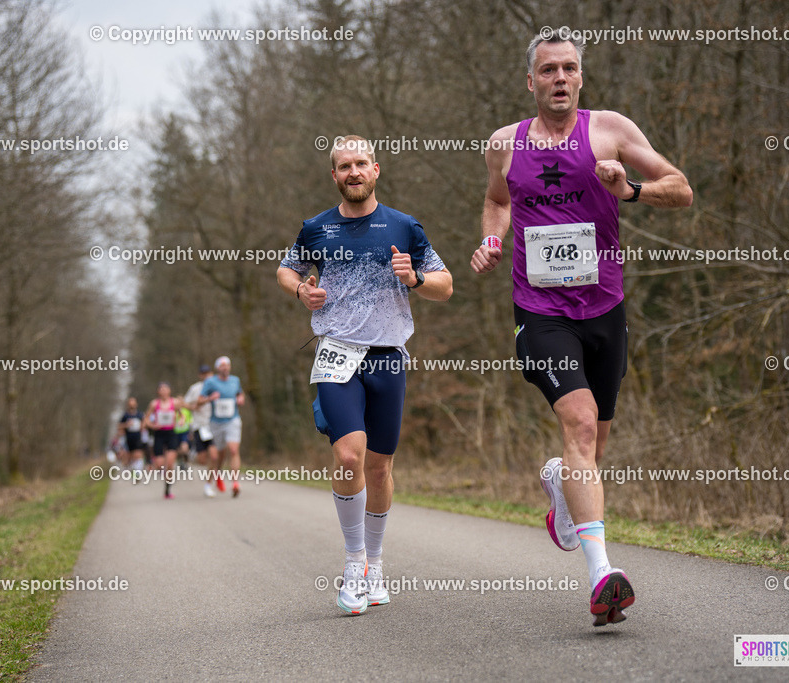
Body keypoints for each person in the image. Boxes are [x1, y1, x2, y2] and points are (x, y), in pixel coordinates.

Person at [471, 29, 693, 626]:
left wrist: (633, 190)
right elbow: (497, 201)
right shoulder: (504, 143)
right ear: (531, 80)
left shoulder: (612, 129)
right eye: (548, 70)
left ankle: (559, 488)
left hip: (605, 307)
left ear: (581, 77)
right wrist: (492, 238)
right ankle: (602, 575)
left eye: (569, 68)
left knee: (595, 443)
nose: (560, 78)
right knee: (579, 421)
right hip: (540, 311)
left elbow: (682, 188)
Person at [277, 135, 453, 615]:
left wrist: (414, 278)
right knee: (349, 455)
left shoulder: (403, 226)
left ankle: (375, 562)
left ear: (376, 170)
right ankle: (353, 564)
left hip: (387, 355)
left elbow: (445, 284)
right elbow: (286, 270)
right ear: (333, 176)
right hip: (336, 352)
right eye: (343, 166)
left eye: (360, 164)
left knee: (379, 465)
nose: (353, 172)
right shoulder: (316, 228)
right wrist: (301, 292)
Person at [196, 357, 245, 498]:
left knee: (234, 449)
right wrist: (209, 398)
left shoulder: (235, 380)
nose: (225, 368)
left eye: (227, 365)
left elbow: (240, 393)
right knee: (216, 456)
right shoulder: (210, 382)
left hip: (232, 420)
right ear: (218, 368)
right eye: (222, 366)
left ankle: (235, 483)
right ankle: (208, 483)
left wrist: (241, 398)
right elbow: (199, 400)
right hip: (216, 423)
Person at [145, 382, 184, 499]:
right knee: (160, 464)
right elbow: (146, 419)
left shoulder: (175, 402)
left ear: (169, 391)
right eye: (161, 389)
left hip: (171, 433)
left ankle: (168, 488)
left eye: (166, 389)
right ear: (158, 391)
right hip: (159, 434)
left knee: (170, 463)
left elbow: (181, 415)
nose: (163, 391)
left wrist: (181, 421)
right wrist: (152, 425)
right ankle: (166, 478)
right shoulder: (154, 404)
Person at [185, 364, 217, 495]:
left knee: (214, 456)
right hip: (199, 426)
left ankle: (210, 482)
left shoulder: (217, 386)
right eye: (203, 374)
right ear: (200, 375)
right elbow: (185, 403)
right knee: (202, 460)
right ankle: (196, 455)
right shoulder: (195, 388)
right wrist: (194, 407)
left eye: (208, 373)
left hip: (214, 425)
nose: (206, 376)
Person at [117, 397, 146, 469]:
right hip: (128, 439)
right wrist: (126, 425)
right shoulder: (125, 416)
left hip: (138, 438)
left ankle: (138, 473)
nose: (132, 405)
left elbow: (145, 423)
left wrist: (142, 425)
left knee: (138, 455)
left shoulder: (140, 414)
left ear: (136, 404)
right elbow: (119, 426)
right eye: (130, 404)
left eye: (133, 404)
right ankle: (134, 470)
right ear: (128, 405)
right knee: (129, 460)